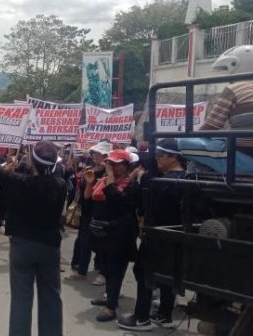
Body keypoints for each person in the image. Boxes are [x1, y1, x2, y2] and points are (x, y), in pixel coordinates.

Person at [0, 134, 66, 336]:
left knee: (21, 299)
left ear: (31, 160)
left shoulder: (20, 183)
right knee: (51, 296)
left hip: (23, 246)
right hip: (50, 247)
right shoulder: (60, 185)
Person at [117, 139, 184, 331]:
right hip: (174, 236)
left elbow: (152, 207)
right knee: (167, 275)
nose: (157, 159)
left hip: (157, 234)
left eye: (161, 156)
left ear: (173, 156)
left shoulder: (164, 181)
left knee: (144, 272)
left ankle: (141, 318)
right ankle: (164, 314)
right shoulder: (185, 178)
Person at [88, 149, 139, 322]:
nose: (111, 167)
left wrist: (109, 176)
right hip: (104, 233)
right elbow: (92, 196)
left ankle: (111, 308)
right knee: (107, 268)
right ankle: (109, 297)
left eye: (115, 164)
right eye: (110, 164)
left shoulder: (131, 185)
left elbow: (114, 198)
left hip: (121, 235)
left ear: (125, 166)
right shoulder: (106, 180)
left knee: (116, 270)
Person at [67, 141, 112, 285]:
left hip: (104, 211)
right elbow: (86, 195)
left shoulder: (111, 173)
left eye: (99, 153)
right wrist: (90, 182)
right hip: (88, 209)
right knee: (84, 239)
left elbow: (112, 193)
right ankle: (81, 268)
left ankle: (103, 271)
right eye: (95, 153)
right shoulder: (89, 169)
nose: (95, 156)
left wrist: (108, 172)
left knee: (103, 243)